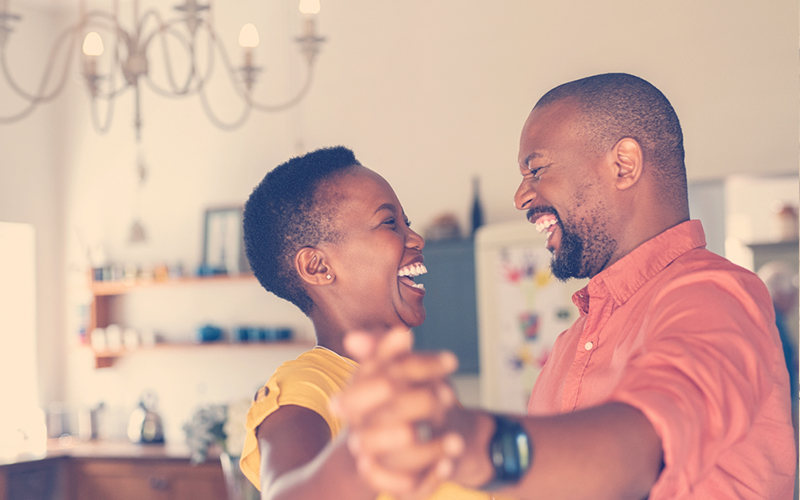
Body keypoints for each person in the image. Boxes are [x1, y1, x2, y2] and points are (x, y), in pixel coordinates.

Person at [333, 73, 797, 499]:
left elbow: (640, 450)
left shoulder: (712, 296)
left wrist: (469, 442)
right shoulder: (570, 345)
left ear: (623, 164)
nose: (520, 197)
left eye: (536, 170)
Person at [237, 146, 489, 500]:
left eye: (407, 224)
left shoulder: (412, 389)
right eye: (390, 223)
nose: (416, 239)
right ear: (318, 267)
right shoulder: (305, 387)